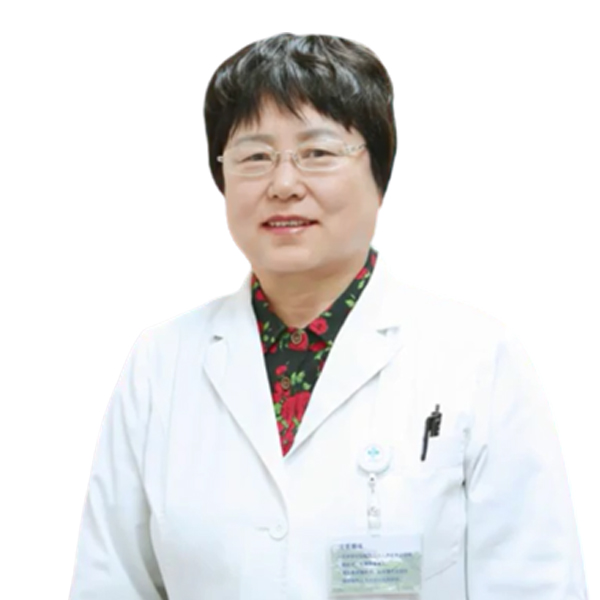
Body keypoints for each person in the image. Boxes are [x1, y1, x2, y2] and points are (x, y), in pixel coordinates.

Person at [69, 33, 588, 599]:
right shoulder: (162, 363)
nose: (284, 184)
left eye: (317, 153)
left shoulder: (477, 358)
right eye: (255, 156)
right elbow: (109, 581)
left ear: (379, 173)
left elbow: (535, 584)